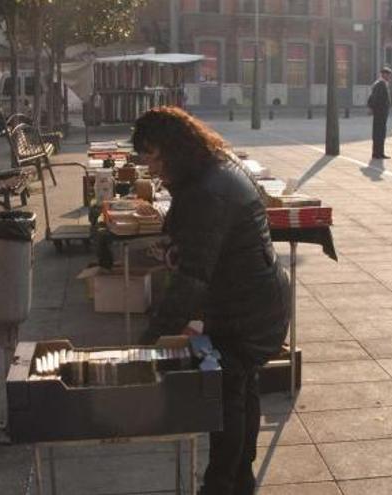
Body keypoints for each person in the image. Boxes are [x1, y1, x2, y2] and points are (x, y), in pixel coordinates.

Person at [134, 107, 290, 495]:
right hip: (257, 295)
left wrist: (151, 339)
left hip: (246, 307)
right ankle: (240, 479)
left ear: (175, 148)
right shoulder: (217, 165)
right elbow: (212, 247)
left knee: (228, 397)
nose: (150, 168)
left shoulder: (207, 190)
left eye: (153, 157)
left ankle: (221, 484)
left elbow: (193, 280)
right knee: (242, 388)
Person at [367, 67, 392, 159]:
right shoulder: (381, 84)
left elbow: (372, 97)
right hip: (380, 112)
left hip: (380, 112)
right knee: (379, 133)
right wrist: (372, 108)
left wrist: (370, 107)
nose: (389, 76)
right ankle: (378, 153)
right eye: (388, 74)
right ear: (384, 74)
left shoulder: (380, 83)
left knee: (379, 133)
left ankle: (379, 152)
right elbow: (375, 98)